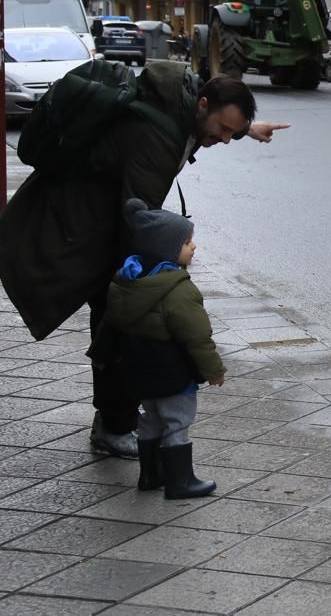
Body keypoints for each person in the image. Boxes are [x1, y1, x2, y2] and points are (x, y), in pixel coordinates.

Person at [0, 62, 288, 457]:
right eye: (224, 129)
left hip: (97, 215)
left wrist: (248, 128)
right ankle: (114, 426)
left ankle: (113, 421)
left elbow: (212, 118)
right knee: (124, 316)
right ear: (202, 105)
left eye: (233, 132)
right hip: (81, 224)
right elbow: (139, 219)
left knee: (122, 312)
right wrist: (157, 274)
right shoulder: (157, 138)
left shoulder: (184, 106)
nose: (225, 139)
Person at [98, 200, 222, 499]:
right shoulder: (178, 290)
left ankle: (151, 475)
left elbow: (110, 326)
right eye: (187, 242)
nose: (194, 247)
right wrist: (213, 370)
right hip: (173, 373)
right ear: (167, 249)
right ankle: (181, 481)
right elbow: (197, 337)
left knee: (150, 418)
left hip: (140, 372)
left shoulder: (127, 281)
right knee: (177, 421)